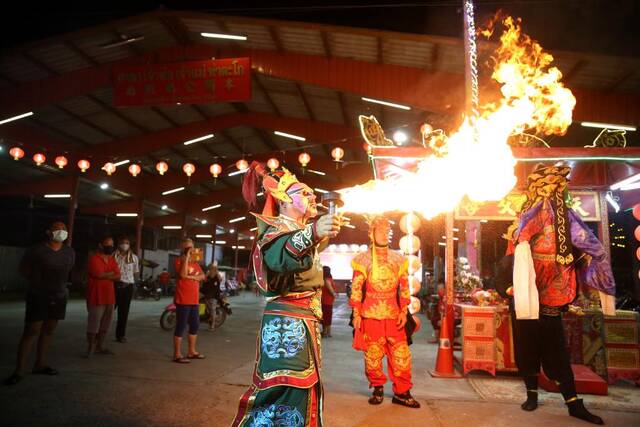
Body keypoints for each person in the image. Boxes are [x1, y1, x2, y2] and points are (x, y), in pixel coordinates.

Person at [232, 163, 341, 427]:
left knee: (302, 391)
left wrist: (319, 230)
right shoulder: (275, 232)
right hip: (287, 325)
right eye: (305, 194)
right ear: (283, 200)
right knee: (285, 391)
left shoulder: (298, 231)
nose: (313, 197)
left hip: (304, 323)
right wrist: (314, 232)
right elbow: (280, 257)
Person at [506, 164, 615, 425]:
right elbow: (518, 243)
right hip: (528, 288)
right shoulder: (527, 216)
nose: (551, 188)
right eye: (546, 183)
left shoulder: (566, 217)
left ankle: (573, 403)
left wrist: (597, 257)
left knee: (556, 349)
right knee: (527, 346)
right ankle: (531, 393)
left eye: (556, 183)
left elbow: (587, 241)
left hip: (554, 288)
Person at [350, 216, 420, 408]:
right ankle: (378, 387)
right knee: (372, 354)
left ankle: (402, 392)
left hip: (394, 313)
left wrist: (404, 311)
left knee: (401, 354)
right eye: (379, 230)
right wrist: (356, 314)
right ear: (371, 234)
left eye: (386, 230)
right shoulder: (362, 260)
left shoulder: (399, 259)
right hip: (370, 314)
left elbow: (404, 287)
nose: (384, 233)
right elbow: (356, 288)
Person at [4, 221, 75, 385]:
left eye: (64, 229)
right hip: (38, 295)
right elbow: (24, 270)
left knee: (49, 330)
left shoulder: (69, 251)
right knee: (32, 330)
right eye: (58, 228)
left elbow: (68, 270)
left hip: (59, 296)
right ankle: (19, 370)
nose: (62, 231)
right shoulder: (36, 250)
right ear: (48, 232)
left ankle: (40, 364)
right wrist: (37, 282)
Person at [86, 236, 120, 357]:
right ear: (101, 245)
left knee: (106, 323)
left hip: (109, 297)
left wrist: (107, 275)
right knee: (94, 323)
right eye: (107, 244)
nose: (110, 247)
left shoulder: (112, 260)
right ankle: (91, 347)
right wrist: (111, 274)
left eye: (112, 244)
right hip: (96, 296)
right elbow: (98, 274)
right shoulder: (94, 259)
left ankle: (100, 346)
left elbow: (118, 276)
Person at [172, 238, 206, 363]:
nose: (190, 249)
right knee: (181, 326)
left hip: (194, 300)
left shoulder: (195, 263)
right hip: (183, 299)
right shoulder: (179, 261)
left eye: (191, 247)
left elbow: (203, 276)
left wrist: (191, 277)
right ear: (183, 248)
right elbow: (182, 274)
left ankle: (191, 351)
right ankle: (177, 354)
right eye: (187, 247)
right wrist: (186, 258)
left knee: (195, 325)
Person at [113, 236, 139, 343]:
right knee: (108, 312)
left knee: (123, 313)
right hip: (114, 286)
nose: (125, 244)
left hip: (127, 287)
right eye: (123, 242)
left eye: (127, 242)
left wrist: (134, 284)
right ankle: (100, 334)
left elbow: (136, 272)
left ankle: (120, 335)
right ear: (119, 244)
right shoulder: (113, 256)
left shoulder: (134, 258)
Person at [202, 262, 222, 330]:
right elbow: (203, 280)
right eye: (210, 268)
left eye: (213, 268)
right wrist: (207, 274)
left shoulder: (217, 275)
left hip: (214, 295)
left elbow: (220, 280)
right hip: (207, 294)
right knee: (206, 306)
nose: (211, 270)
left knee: (212, 309)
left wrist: (217, 272)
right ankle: (207, 317)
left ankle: (212, 325)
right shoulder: (208, 275)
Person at [321, 266, 337, 337]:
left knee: (325, 316)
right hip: (328, 301)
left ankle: (326, 332)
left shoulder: (326, 280)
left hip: (325, 301)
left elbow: (330, 290)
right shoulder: (330, 279)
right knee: (328, 316)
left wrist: (334, 295)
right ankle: (328, 332)